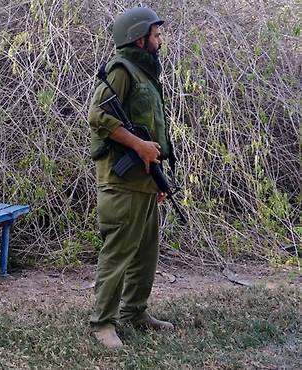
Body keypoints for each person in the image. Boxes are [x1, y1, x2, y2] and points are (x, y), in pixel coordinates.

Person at [87, 7, 176, 348]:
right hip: (120, 182)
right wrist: (138, 145)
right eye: (155, 34)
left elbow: (150, 131)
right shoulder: (122, 69)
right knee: (119, 253)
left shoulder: (144, 74)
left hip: (142, 181)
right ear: (139, 38)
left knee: (145, 253)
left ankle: (135, 312)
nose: (159, 39)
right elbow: (97, 116)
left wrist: (157, 180)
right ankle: (103, 323)